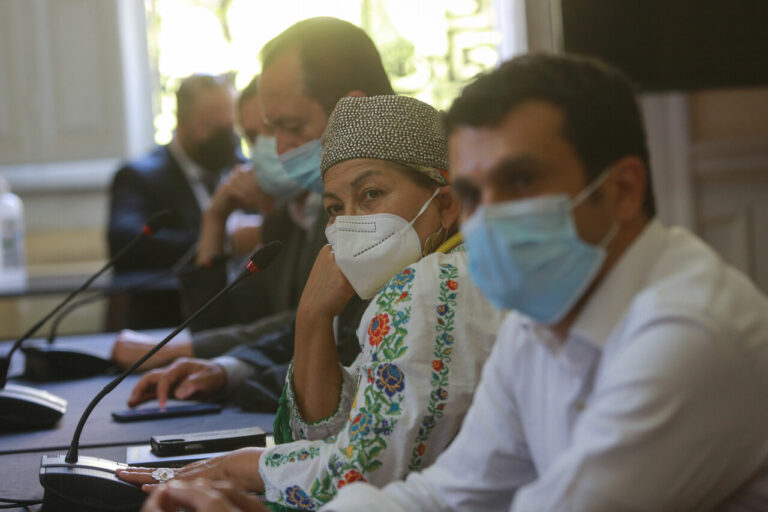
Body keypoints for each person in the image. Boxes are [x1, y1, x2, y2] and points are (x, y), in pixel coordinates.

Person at [314, 54, 768, 511]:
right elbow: (442, 495)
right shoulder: (537, 322)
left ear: (623, 189)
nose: (488, 217)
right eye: (472, 195)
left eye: (522, 180)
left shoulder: (687, 333)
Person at [118, 95, 506, 511]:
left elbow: (359, 477)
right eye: (335, 208)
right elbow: (334, 437)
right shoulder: (446, 275)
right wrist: (313, 318)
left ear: (445, 204)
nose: (351, 221)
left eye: (372, 194)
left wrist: (240, 468)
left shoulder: (427, 287)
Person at [113, 17, 395, 411]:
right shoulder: (307, 214)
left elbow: (348, 354)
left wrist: (229, 373)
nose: (278, 149)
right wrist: (225, 368)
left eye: (291, 126)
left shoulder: (397, 215)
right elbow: (296, 325)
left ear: (354, 110)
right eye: (261, 133)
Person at [107, 74, 241, 328]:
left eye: (229, 124)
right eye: (211, 125)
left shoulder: (241, 169)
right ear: (182, 122)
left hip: (237, 319)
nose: (223, 136)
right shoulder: (140, 177)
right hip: (167, 320)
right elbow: (126, 242)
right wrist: (224, 241)